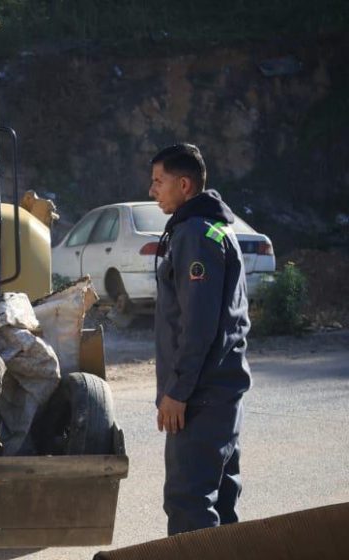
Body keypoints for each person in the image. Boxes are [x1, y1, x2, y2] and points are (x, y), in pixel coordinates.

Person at [148, 143, 252, 536]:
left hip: (201, 397)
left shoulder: (195, 234)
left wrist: (178, 391)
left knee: (189, 501)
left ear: (185, 184)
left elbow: (200, 326)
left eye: (160, 181)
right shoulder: (213, 228)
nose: (153, 189)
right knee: (220, 502)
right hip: (220, 392)